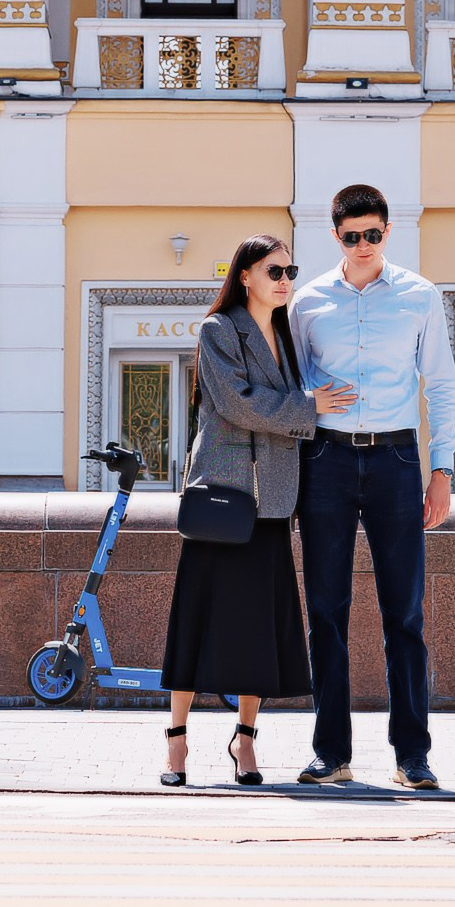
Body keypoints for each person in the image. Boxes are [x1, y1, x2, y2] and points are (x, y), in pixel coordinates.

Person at [159, 234, 356, 788]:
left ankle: (245, 741)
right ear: (244, 275)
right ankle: (176, 742)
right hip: (223, 498)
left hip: (272, 502)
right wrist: (309, 409)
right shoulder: (218, 331)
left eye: (289, 270)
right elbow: (238, 403)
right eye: (274, 270)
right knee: (195, 623)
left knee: (259, 631)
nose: (285, 279)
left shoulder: (291, 336)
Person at [288, 184, 455, 791]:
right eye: (352, 236)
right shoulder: (306, 302)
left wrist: (441, 473)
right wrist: (310, 407)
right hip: (326, 463)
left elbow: (440, 384)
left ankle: (412, 754)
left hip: (394, 462)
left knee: (404, 614)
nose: (363, 246)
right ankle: (331, 752)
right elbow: (293, 385)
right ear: (335, 236)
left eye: (374, 235)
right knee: (327, 614)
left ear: (388, 233)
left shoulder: (419, 296)